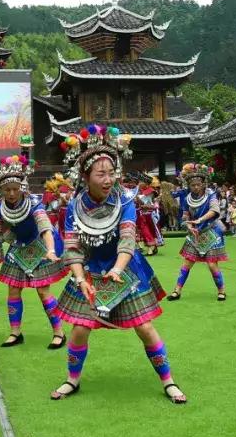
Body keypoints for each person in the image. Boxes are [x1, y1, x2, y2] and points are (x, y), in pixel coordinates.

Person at [48, 124, 185, 404]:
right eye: (101, 174)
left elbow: (127, 240)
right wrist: (80, 278)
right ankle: (72, 379)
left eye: (112, 173)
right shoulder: (74, 207)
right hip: (90, 271)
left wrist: (118, 269)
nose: (108, 179)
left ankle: (168, 380)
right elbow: (73, 247)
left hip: (126, 269)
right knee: (79, 328)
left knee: (145, 328)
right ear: (86, 176)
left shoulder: (125, 201)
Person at [0, 155, 68, 349]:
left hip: (40, 245)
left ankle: (59, 332)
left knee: (42, 291)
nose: (12, 193)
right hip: (18, 246)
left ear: (22, 188)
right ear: (1, 191)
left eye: (15, 189)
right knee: (13, 289)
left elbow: (45, 227)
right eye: (7, 190)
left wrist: (50, 250)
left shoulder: (33, 203)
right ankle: (15, 332)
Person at [168, 163, 228, 302]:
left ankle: (221, 290)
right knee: (187, 263)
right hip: (195, 232)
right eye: (192, 185)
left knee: (212, 265)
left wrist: (199, 220)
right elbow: (185, 215)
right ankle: (177, 290)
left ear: (203, 184)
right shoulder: (187, 198)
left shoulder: (211, 195)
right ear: (189, 185)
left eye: (198, 184)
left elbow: (214, 210)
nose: (195, 187)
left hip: (211, 231)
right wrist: (189, 226)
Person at [135, 178, 164, 256]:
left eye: (141, 181)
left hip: (150, 214)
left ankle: (151, 248)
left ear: (146, 183)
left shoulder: (151, 191)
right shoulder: (139, 191)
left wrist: (141, 202)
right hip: (142, 214)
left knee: (150, 231)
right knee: (145, 231)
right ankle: (151, 247)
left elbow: (151, 203)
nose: (139, 183)